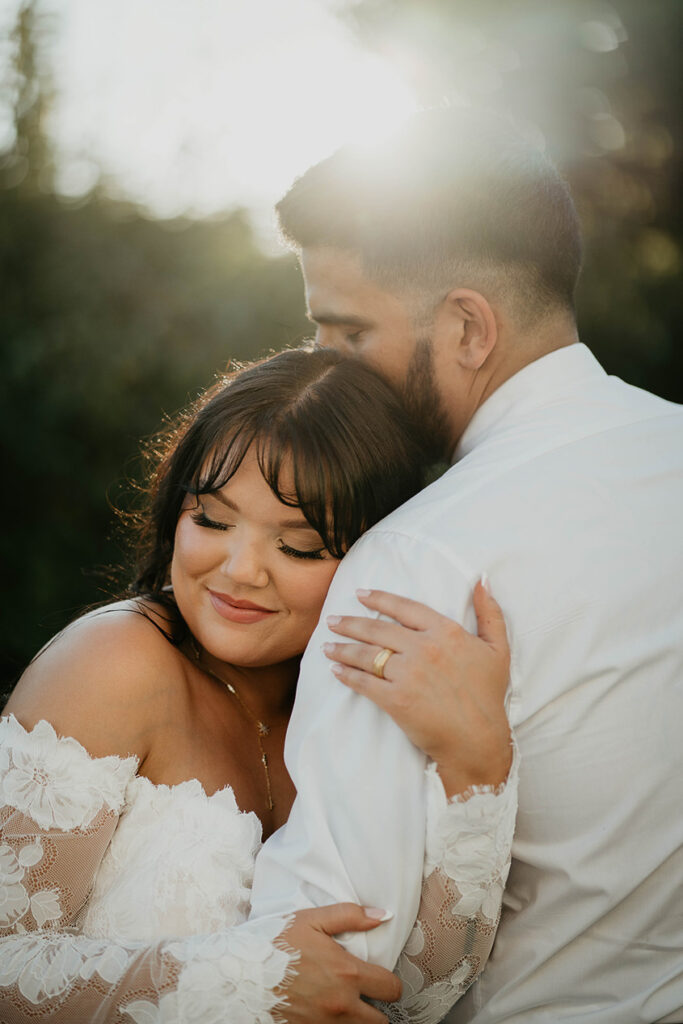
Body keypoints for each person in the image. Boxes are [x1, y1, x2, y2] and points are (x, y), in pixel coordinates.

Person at [248, 108, 683, 1022]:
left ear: (468, 330)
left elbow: (333, 961)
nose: (321, 366)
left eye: (348, 331)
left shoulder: (413, 560)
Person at [0, 346, 517, 1023]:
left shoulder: (366, 708)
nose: (240, 569)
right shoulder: (114, 662)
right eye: (210, 519)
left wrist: (476, 763)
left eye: (299, 545)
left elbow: (417, 994)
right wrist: (246, 980)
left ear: (378, 552)